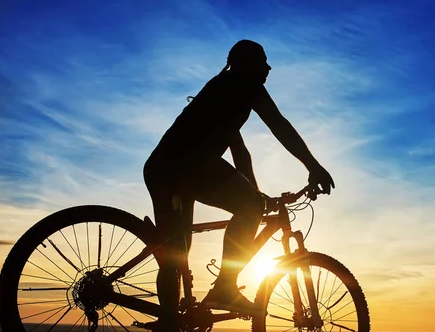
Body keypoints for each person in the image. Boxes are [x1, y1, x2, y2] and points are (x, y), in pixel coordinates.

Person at [143, 40, 335, 317]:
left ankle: (169, 329)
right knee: (241, 212)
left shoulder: (224, 90)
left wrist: (253, 193)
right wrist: (313, 166)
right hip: (188, 165)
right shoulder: (246, 86)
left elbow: (240, 152)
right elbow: (279, 125)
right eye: (262, 61)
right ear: (246, 64)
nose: (268, 67)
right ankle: (224, 288)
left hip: (163, 169)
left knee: (175, 254)